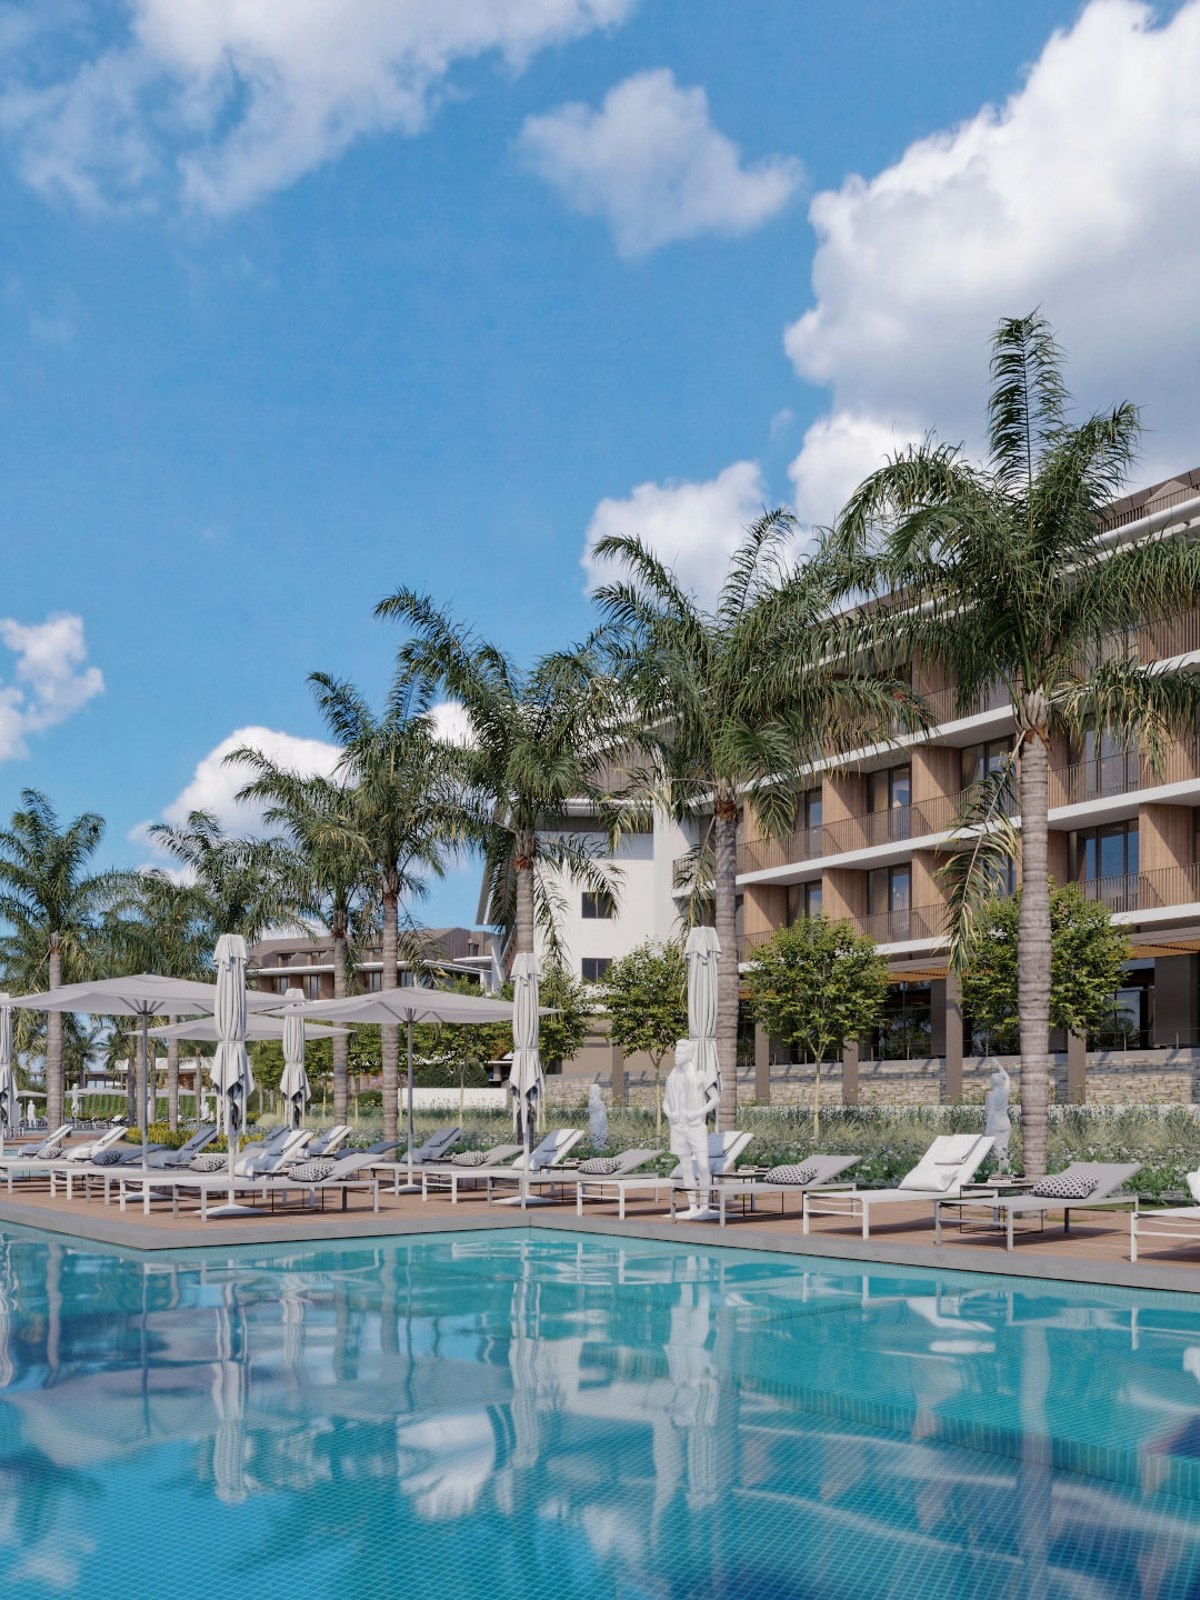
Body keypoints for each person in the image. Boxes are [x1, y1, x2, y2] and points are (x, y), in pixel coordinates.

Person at [663, 1038, 721, 1219]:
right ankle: (692, 1206)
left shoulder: (700, 1075)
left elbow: (715, 1099)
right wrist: (669, 1113)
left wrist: (698, 1113)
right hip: (678, 1126)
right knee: (686, 1168)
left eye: (680, 1053)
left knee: (703, 1166)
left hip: (695, 1126)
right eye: (675, 1052)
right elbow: (665, 1101)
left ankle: (705, 1205)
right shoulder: (671, 1076)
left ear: (689, 1055)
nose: (676, 1056)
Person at [984, 1064, 1012, 1171]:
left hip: (995, 1124)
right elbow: (1007, 1078)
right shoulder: (1005, 1092)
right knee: (1004, 1148)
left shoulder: (991, 1095)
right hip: (1005, 1122)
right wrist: (1000, 1066)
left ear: (993, 1082)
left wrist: (987, 1128)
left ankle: (1000, 1172)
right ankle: (1005, 1170)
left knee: (996, 1148)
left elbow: (991, 1112)